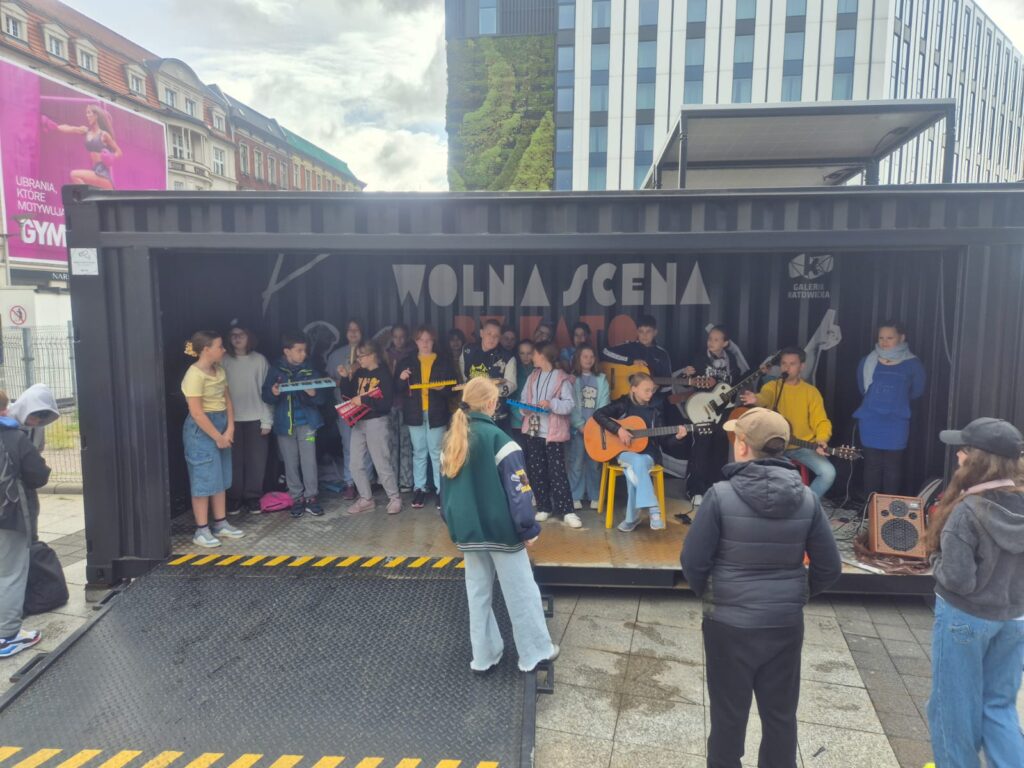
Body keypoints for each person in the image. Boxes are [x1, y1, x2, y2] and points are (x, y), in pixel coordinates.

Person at [681, 407, 842, 768]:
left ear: (742, 446)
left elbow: (692, 562)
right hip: (784, 623)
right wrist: (797, 594)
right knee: (780, 716)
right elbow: (830, 568)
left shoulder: (719, 496)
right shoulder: (807, 499)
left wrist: (714, 594)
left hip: (728, 624)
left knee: (727, 716)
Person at [439, 377, 559, 673]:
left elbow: (445, 494)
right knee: (521, 592)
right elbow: (520, 492)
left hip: (468, 534)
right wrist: (528, 528)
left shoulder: (452, 440)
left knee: (477, 594)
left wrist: (454, 525)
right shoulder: (501, 441)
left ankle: (484, 657)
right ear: (492, 403)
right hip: (503, 533)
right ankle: (534, 653)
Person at [926, 418, 1024, 768]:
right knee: (999, 707)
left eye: (963, 450)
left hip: (965, 618)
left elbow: (958, 580)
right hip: (1014, 618)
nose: (958, 456)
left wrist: (934, 559)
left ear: (978, 459)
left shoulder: (967, 511)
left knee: (952, 707)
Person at [593, 372, 688, 531]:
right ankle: (653, 508)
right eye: (647, 390)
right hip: (623, 453)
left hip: (648, 455)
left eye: (652, 390)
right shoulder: (623, 404)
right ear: (634, 389)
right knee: (636, 463)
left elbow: (663, 441)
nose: (651, 394)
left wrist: (678, 437)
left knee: (635, 468)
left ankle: (632, 519)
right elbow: (598, 414)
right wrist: (618, 430)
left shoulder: (655, 410)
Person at [740, 347, 835, 499]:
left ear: (801, 366)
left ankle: (806, 504)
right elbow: (765, 397)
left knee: (828, 473)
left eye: (792, 364)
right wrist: (756, 399)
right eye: (784, 363)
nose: (787, 368)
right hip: (773, 447)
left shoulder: (811, 392)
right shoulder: (772, 386)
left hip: (802, 447)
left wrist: (822, 439)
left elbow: (821, 421)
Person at [0, 389, 52, 659]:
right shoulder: (13, 437)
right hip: (8, 516)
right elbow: (38, 475)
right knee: (10, 573)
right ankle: (6, 637)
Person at [182, 331, 245, 546]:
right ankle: (201, 530)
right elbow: (197, 413)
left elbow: (227, 400)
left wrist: (230, 428)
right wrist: (218, 436)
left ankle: (220, 523)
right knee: (203, 478)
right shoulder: (194, 375)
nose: (224, 349)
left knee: (220, 477)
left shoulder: (220, 371)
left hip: (221, 427)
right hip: (202, 431)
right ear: (206, 350)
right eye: (220, 346)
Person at [853, 321, 927, 496]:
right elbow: (863, 388)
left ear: (902, 338)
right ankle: (870, 507)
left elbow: (917, 391)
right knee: (872, 465)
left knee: (893, 466)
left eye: (890, 338)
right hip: (871, 420)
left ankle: (888, 508)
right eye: (881, 338)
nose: (884, 342)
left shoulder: (913, 364)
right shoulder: (867, 361)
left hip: (896, 422)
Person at [261, 331, 328, 518]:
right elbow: (266, 396)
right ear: (287, 351)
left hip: (308, 425)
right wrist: (273, 393)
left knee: (309, 461)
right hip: (285, 425)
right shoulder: (275, 370)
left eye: (305, 350)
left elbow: (322, 399)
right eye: (299, 350)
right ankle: (296, 498)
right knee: (290, 462)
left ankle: (311, 497)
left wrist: (313, 393)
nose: (303, 354)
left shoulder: (310, 369)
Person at [681, 326, 749, 508]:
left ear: (725, 343)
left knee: (720, 447)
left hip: (723, 410)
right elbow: (687, 380)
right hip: (702, 408)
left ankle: (715, 488)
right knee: (700, 448)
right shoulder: (699, 358)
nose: (711, 342)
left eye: (716, 339)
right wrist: (687, 373)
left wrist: (759, 371)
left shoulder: (731, 360)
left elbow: (735, 384)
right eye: (710, 338)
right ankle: (695, 490)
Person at [338, 342, 402, 516]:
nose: (358, 360)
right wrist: (345, 378)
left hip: (377, 421)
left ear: (372, 355)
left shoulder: (383, 374)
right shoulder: (360, 373)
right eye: (358, 356)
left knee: (381, 462)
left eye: (361, 356)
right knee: (355, 464)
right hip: (359, 422)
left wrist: (364, 400)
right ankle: (366, 498)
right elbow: (348, 396)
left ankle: (394, 498)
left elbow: (386, 404)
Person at [396, 326, 455, 510]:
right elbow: (397, 388)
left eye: (428, 340)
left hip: (437, 412)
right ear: (416, 342)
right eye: (421, 339)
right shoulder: (406, 362)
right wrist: (401, 378)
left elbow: (453, 388)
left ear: (433, 341)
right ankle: (420, 488)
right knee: (419, 452)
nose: (425, 343)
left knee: (437, 453)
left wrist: (443, 389)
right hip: (414, 412)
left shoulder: (444, 361)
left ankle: (440, 490)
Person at [519, 343, 578, 528]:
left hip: (553, 433)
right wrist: (525, 409)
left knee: (557, 471)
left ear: (542, 356)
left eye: (534, 354)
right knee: (536, 470)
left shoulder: (561, 378)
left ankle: (567, 511)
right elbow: (523, 400)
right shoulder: (532, 376)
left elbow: (569, 404)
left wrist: (551, 403)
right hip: (533, 430)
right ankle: (544, 507)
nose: (532, 357)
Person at [221, 325, 273, 515]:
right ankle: (234, 498)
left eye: (241, 334)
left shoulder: (259, 360)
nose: (237, 338)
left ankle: (253, 497)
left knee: (256, 461)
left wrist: (267, 421)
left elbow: (267, 392)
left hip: (256, 417)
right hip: (231, 420)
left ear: (249, 336)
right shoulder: (224, 361)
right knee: (232, 461)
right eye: (233, 335)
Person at [326, 320, 374, 500]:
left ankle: (367, 482)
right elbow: (328, 380)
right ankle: (349, 483)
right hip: (345, 407)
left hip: (366, 406)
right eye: (349, 330)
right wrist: (344, 380)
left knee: (367, 446)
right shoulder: (336, 356)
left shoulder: (369, 353)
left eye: (357, 330)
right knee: (348, 446)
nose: (353, 333)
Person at [41, 104, 122, 190]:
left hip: (103, 174)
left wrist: (112, 157)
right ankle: (90, 195)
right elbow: (71, 128)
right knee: (75, 178)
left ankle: (88, 196)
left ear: (96, 115)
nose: (87, 115)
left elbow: (119, 152)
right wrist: (55, 126)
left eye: (89, 113)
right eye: (86, 113)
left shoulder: (104, 135)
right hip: (95, 171)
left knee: (74, 175)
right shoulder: (86, 131)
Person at [567, 344, 609, 510]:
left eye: (592, 356)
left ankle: (595, 495)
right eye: (585, 356)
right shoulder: (572, 379)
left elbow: (604, 404)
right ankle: (575, 495)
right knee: (576, 462)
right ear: (578, 358)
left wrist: (594, 426)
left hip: (596, 429)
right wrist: (580, 425)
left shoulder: (601, 379)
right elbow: (571, 405)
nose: (589, 360)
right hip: (577, 429)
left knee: (595, 463)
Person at [600, 314, 672, 401]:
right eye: (641, 331)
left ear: (655, 332)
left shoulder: (662, 354)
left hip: (650, 400)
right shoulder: (629, 346)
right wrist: (630, 361)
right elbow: (605, 352)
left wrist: (658, 387)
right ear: (637, 332)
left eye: (648, 331)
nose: (644, 335)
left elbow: (668, 385)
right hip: (626, 398)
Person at [462, 319, 517, 427]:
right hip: (471, 410)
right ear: (481, 333)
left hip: (496, 413)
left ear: (500, 338)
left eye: (496, 336)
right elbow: (463, 377)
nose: (492, 338)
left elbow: (512, 385)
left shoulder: (508, 357)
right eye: (489, 334)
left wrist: (490, 391)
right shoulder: (467, 351)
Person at [384, 323, 416, 493]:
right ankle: (391, 482)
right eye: (396, 337)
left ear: (408, 337)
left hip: (406, 404)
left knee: (406, 443)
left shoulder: (412, 354)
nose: (399, 340)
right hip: (389, 404)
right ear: (391, 337)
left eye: (402, 336)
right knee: (390, 444)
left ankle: (406, 481)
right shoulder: (385, 355)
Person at [508, 340, 535, 446]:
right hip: (517, 422)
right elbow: (510, 398)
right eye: (522, 353)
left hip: (535, 420)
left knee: (534, 452)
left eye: (529, 353)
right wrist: (521, 416)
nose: (525, 357)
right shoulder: (514, 371)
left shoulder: (538, 371)